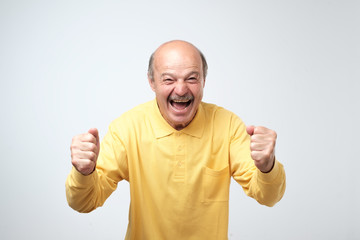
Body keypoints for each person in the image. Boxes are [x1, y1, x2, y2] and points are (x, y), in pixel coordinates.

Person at [65, 40, 286, 240]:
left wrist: (267, 167)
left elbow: (269, 196)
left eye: (192, 78)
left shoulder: (228, 126)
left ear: (203, 81)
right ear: (152, 82)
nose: (181, 89)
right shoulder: (127, 128)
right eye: (169, 79)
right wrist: (84, 173)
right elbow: (84, 202)